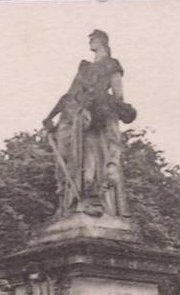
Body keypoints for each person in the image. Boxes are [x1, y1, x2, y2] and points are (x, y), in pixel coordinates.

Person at [43, 29, 136, 218]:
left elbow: (118, 95)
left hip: (99, 115)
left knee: (90, 162)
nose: (90, 43)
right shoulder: (84, 68)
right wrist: (51, 116)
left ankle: (94, 200)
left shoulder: (111, 64)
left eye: (92, 40)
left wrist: (111, 109)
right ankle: (70, 204)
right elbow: (69, 94)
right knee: (71, 160)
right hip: (77, 117)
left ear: (101, 41)